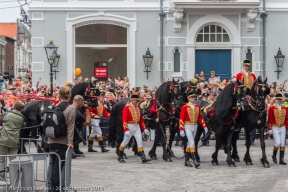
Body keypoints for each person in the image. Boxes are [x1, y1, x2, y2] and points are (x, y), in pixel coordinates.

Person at [49, 87, 76, 192]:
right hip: (63, 142)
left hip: (52, 140)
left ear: (59, 96)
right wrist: (70, 142)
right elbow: (70, 127)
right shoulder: (71, 108)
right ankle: (55, 189)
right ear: (69, 96)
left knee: (53, 166)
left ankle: (52, 188)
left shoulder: (54, 107)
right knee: (58, 168)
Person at [117, 93, 151, 163]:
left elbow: (140, 119)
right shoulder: (127, 108)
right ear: (132, 100)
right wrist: (126, 130)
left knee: (139, 141)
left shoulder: (138, 108)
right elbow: (124, 120)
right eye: (136, 100)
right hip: (130, 126)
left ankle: (143, 157)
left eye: (137, 100)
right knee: (125, 142)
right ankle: (120, 156)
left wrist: (144, 128)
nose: (137, 102)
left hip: (136, 126)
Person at [179, 89, 208, 168]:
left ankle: (186, 161)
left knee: (189, 143)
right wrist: (181, 129)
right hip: (187, 126)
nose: (194, 98)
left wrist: (204, 126)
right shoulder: (185, 107)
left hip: (195, 125)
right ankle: (195, 160)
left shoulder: (197, 107)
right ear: (189, 98)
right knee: (192, 142)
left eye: (194, 97)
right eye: (192, 97)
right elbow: (181, 119)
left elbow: (200, 118)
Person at [0, 102, 25, 181]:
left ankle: (2, 179)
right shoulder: (21, 118)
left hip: (3, 140)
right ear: (21, 109)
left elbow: (1, 123)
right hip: (14, 142)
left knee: (1, 161)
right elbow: (22, 127)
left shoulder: (6, 115)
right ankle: (14, 180)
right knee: (13, 161)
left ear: (13, 107)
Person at [86, 88, 110, 153]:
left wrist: (110, 116)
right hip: (94, 119)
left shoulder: (100, 103)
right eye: (99, 96)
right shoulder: (92, 102)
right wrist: (95, 116)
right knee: (100, 132)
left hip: (98, 119)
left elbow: (104, 111)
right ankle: (102, 148)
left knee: (93, 133)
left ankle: (90, 147)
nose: (101, 97)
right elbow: (89, 111)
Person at [268, 93, 288, 165]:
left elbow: (287, 119)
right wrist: (269, 127)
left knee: (283, 143)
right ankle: (274, 156)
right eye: (278, 100)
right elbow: (270, 118)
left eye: (280, 100)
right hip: (275, 127)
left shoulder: (285, 108)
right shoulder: (272, 108)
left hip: (282, 127)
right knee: (278, 143)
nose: (279, 101)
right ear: (276, 100)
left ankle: (281, 159)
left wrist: (287, 126)